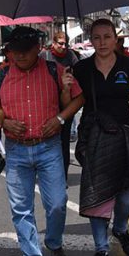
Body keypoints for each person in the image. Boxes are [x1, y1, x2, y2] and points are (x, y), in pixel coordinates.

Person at [0, 26, 82, 256]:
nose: (20, 57)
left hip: (48, 146)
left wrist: (60, 119)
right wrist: (3, 123)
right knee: (20, 207)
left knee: (58, 202)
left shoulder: (55, 71)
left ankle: (54, 242)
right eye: (15, 52)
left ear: (38, 48)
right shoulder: (1, 75)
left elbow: (77, 99)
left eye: (25, 51)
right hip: (16, 149)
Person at [68, 19, 129, 256]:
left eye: (106, 37)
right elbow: (70, 102)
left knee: (124, 197)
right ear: (91, 40)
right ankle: (101, 249)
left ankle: (121, 229)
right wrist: (66, 87)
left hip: (123, 136)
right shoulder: (81, 68)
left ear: (115, 39)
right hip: (94, 139)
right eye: (97, 37)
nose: (101, 42)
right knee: (97, 196)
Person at [40, 32, 80, 177]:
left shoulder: (71, 56)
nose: (63, 47)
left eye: (65, 44)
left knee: (64, 141)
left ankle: (63, 174)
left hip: (66, 104)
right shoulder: (44, 56)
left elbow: (79, 72)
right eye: (60, 43)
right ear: (53, 43)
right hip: (48, 103)